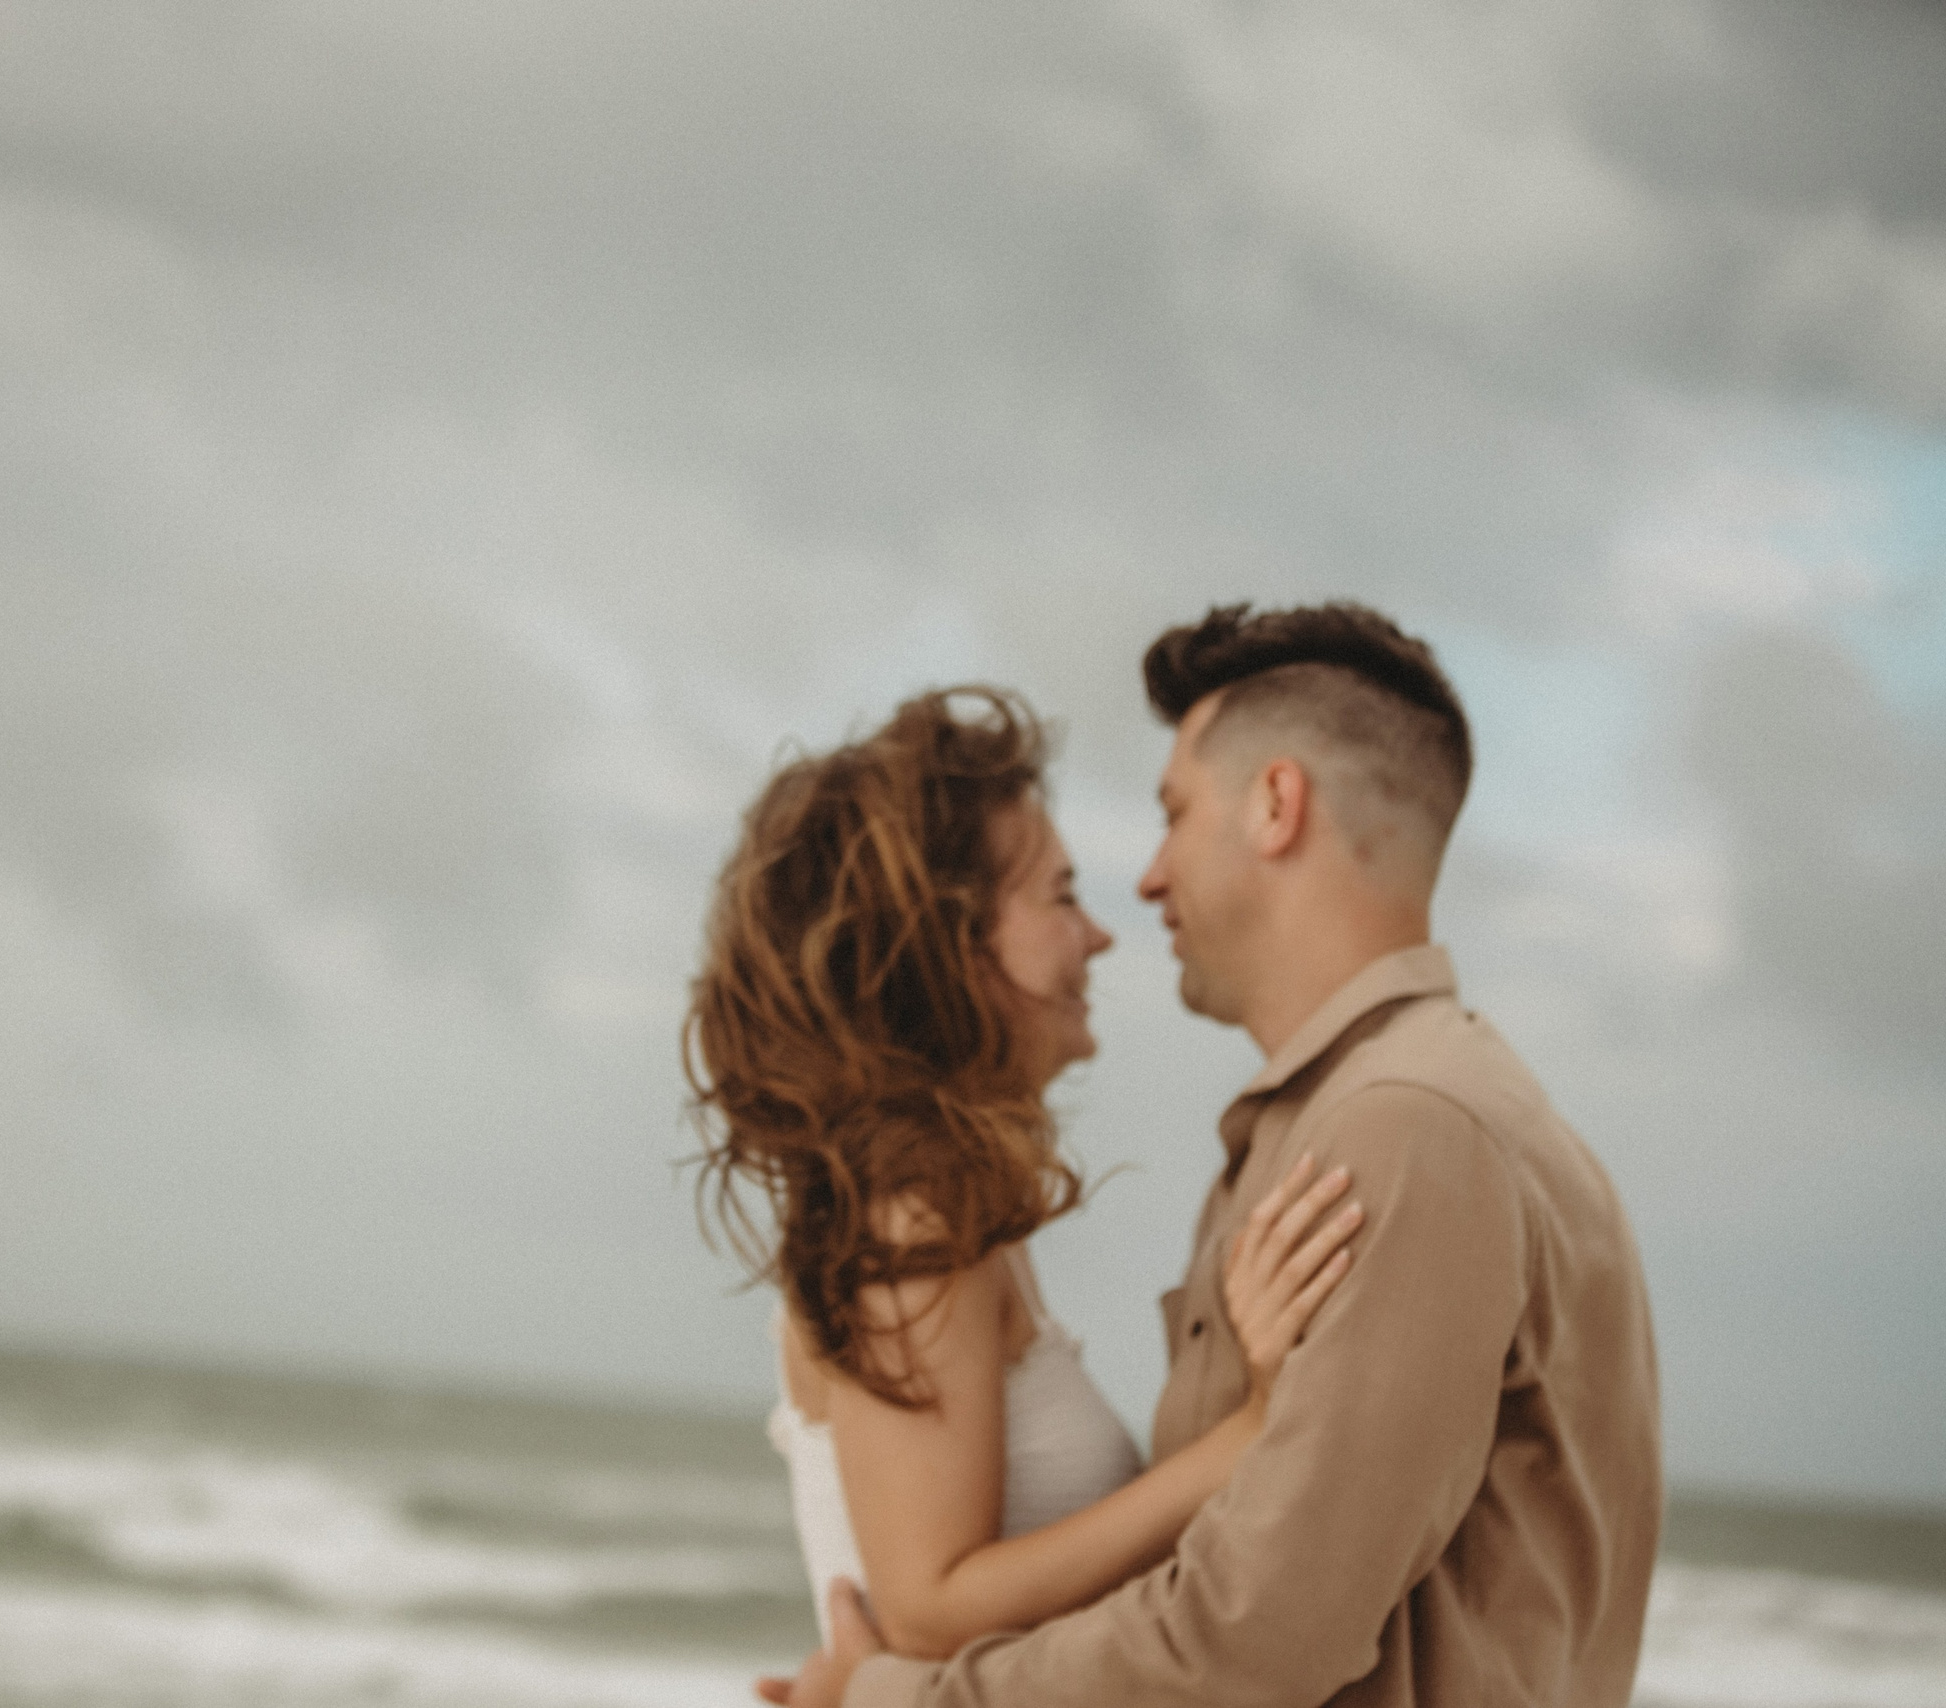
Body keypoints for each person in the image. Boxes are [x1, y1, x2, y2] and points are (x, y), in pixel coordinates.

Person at [771, 604, 1664, 1708]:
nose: (1140, 884)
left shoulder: (1407, 1127)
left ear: (1276, 804)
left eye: (1171, 812)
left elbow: (1246, 1643)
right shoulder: (1337, 1128)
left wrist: (888, 1700)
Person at [686, 686, 1364, 1669]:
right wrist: (1252, 1430)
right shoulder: (908, 1220)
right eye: (1059, 895)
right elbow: (928, 1606)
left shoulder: (943, 1214)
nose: (1096, 933)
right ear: (953, 948)